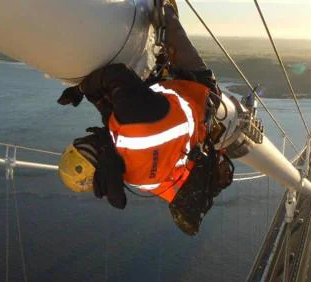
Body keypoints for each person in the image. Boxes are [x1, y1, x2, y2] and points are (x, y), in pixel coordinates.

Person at [57, 1, 234, 235]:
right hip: (195, 90)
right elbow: (117, 76)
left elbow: (117, 126)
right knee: (167, 22)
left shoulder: (138, 179)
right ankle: (167, 11)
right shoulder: (133, 127)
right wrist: (82, 88)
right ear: (92, 148)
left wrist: (95, 98)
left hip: (199, 132)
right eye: (85, 141)